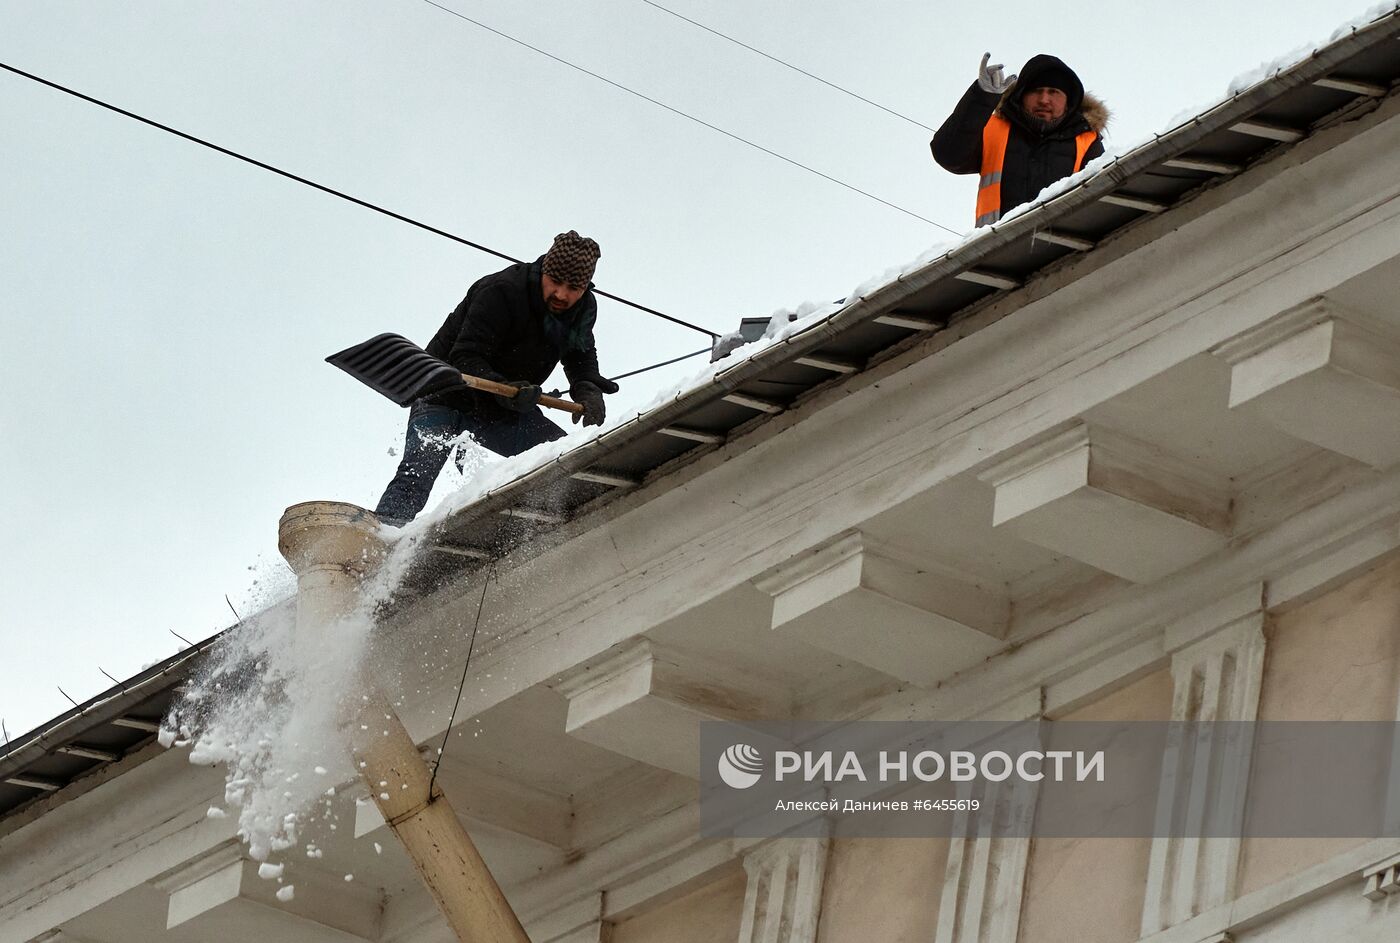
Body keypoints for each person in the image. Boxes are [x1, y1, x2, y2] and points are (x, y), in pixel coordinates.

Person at [373, 230, 618, 527]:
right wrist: (507, 390)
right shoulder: (503, 291)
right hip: (444, 397)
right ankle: (380, 543)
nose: (562, 295)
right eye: (555, 282)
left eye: (573, 287)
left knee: (562, 461)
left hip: (503, 409)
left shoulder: (581, 309)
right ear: (543, 270)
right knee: (415, 478)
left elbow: (579, 355)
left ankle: (563, 525)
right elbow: (465, 356)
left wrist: (586, 386)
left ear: (585, 286)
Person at [932, 53, 1108, 227]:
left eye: (1053, 92)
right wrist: (981, 98)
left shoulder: (1086, 141)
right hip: (997, 247)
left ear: (1068, 101)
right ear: (1021, 96)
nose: (1044, 99)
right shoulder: (993, 129)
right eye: (1036, 91)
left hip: (1063, 250)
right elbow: (948, 154)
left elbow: (1100, 202)